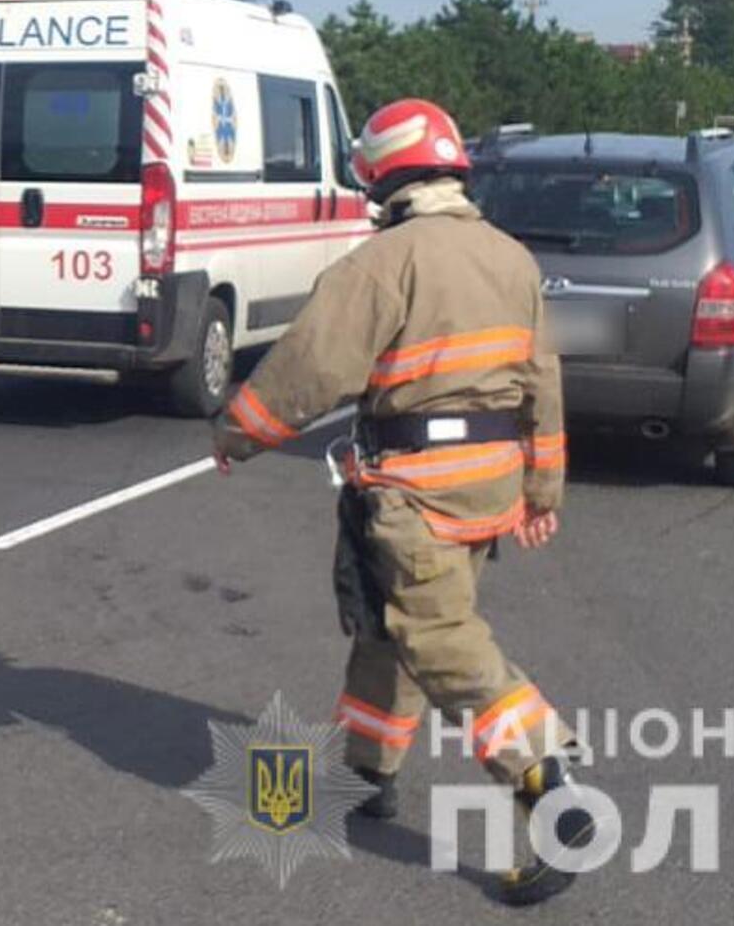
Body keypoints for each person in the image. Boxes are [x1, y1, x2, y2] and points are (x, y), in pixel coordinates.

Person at [208, 98, 589, 906]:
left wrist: (237, 433)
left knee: (443, 639)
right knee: (392, 628)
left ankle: (550, 788)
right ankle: (368, 774)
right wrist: (541, 490)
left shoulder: (382, 264)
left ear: (382, 176)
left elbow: (308, 369)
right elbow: (542, 382)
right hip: (486, 488)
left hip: (416, 492)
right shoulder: (511, 257)